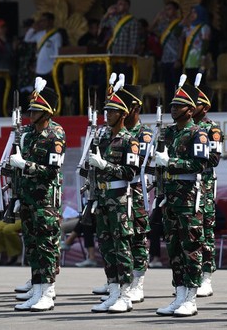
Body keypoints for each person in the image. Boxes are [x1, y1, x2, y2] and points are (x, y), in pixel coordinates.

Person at [8, 84, 65, 312]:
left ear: (47, 112)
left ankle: (48, 292)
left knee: (46, 247)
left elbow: (52, 170)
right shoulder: (28, 134)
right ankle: (38, 290)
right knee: (32, 246)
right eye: (30, 110)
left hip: (45, 201)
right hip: (29, 199)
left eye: (35, 110)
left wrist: (26, 165)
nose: (30, 114)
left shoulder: (56, 134)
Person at [155, 81, 209, 317]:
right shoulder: (168, 132)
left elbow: (201, 164)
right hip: (170, 197)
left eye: (179, 106)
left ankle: (191, 298)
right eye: (172, 105)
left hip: (188, 196)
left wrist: (172, 163)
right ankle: (179, 294)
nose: (173, 109)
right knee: (174, 248)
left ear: (190, 109)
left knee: (191, 246)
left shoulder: (198, 133)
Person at [88, 87, 140, 314]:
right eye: (106, 110)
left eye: (112, 111)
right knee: (106, 247)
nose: (107, 114)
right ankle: (113, 291)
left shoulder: (130, 140)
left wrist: (105, 166)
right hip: (102, 197)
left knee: (121, 247)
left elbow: (131, 173)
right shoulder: (101, 137)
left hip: (118, 199)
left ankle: (126, 295)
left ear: (123, 114)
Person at [118, 84, 153, 303]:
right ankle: (120, 279)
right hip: (117, 190)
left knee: (137, 237)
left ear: (135, 108)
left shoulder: (144, 134)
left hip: (136, 189)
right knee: (117, 236)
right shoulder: (114, 131)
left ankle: (138, 282)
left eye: (126, 106)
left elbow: (141, 163)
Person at [192, 79, 224, 297]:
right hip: (184, 187)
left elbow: (214, 159)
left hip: (203, 186)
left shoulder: (212, 129)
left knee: (205, 231)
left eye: (195, 103)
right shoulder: (181, 129)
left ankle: (206, 277)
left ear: (205, 106)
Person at [150, 1, 183, 106]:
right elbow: (151, 30)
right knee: (167, 85)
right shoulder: (163, 24)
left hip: (175, 58)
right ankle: (169, 107)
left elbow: (182, 42)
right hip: (165, 58)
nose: (167, 11)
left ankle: (177, 106)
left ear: (175, 11)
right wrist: (157, 18)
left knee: (176, 85)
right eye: (166, 9)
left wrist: (179, 59)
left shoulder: (179, 24)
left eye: (169, 9)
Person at [100, 0, 140, 80]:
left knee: (125, 82)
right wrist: (107, 13)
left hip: (125, 56)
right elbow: (102, 25)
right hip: (114, 54)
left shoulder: (132, 21)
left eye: (121, 4)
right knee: (114, 82)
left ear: (127, 6)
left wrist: (131, 57)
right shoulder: (113, 19)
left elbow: (134, 40)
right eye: (117, 4)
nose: (118, 6)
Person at [24, 13, 63, 90]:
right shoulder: (40, 34)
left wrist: (53, 68)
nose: (42, 22)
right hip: (39, 68)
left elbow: (57, 53)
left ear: (51, 21)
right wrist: (33, 28)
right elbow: (27, 39)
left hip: (49, 69)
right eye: (41, 21)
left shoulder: (56, 35)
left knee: (48, 92)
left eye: (44, 20)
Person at [0, 19, 15, 116]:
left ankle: (10, 113)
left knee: (10, 94)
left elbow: (13, 55)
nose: (3, 29)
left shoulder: (10, 40)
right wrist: (7, 53)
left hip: (10, 71)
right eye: (1, 27)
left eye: (4, 27)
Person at [181, 5, 211, 79]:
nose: (192, 14)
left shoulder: (204, 27)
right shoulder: (188, 28)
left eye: (195, 12)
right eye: (191, 12)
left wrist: (203, 58)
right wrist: (184, 19)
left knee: (199, 84)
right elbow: (176, 33)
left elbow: (205, 43)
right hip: (189, 59)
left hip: (199, 59)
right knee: (190, 83)